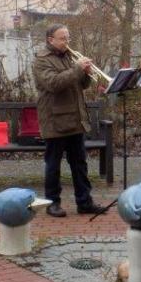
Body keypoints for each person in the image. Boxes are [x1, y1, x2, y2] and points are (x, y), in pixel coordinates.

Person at [34, 24, 107, 217]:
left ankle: (85, 202)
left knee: (80, 164)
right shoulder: (41, 61)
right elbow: (53, 84)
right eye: (63, 38)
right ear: (51, 40)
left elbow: (81, 84)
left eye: (68, 38)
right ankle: (52, 203)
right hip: (54, 120)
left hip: (75, 119)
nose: (67, 42)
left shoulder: (69, 57)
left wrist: (86, 73)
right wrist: (77, 69)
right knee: (53, 165)